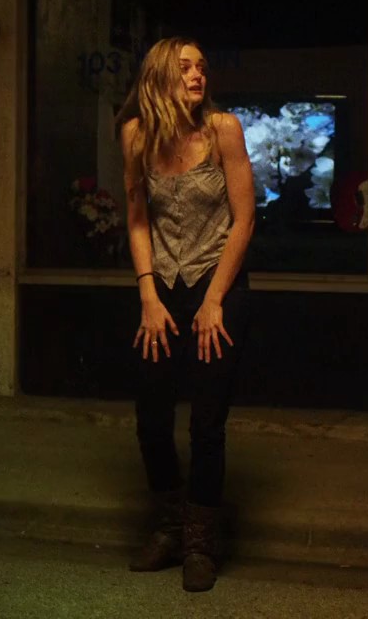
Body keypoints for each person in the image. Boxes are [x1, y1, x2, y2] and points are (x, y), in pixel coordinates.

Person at [116, 37, 255, 593]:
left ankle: (200, 542)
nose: (198, 75)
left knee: (206, 422)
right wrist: (148, 295)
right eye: (185, 68)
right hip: (162, 288)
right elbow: (137, 220)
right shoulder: (135, 136)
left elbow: (244, 220)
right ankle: (170, 528)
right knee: (151, 418)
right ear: (158, 77)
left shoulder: (224, 130)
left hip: (218, 283)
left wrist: (215, 299)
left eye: (202, 66)